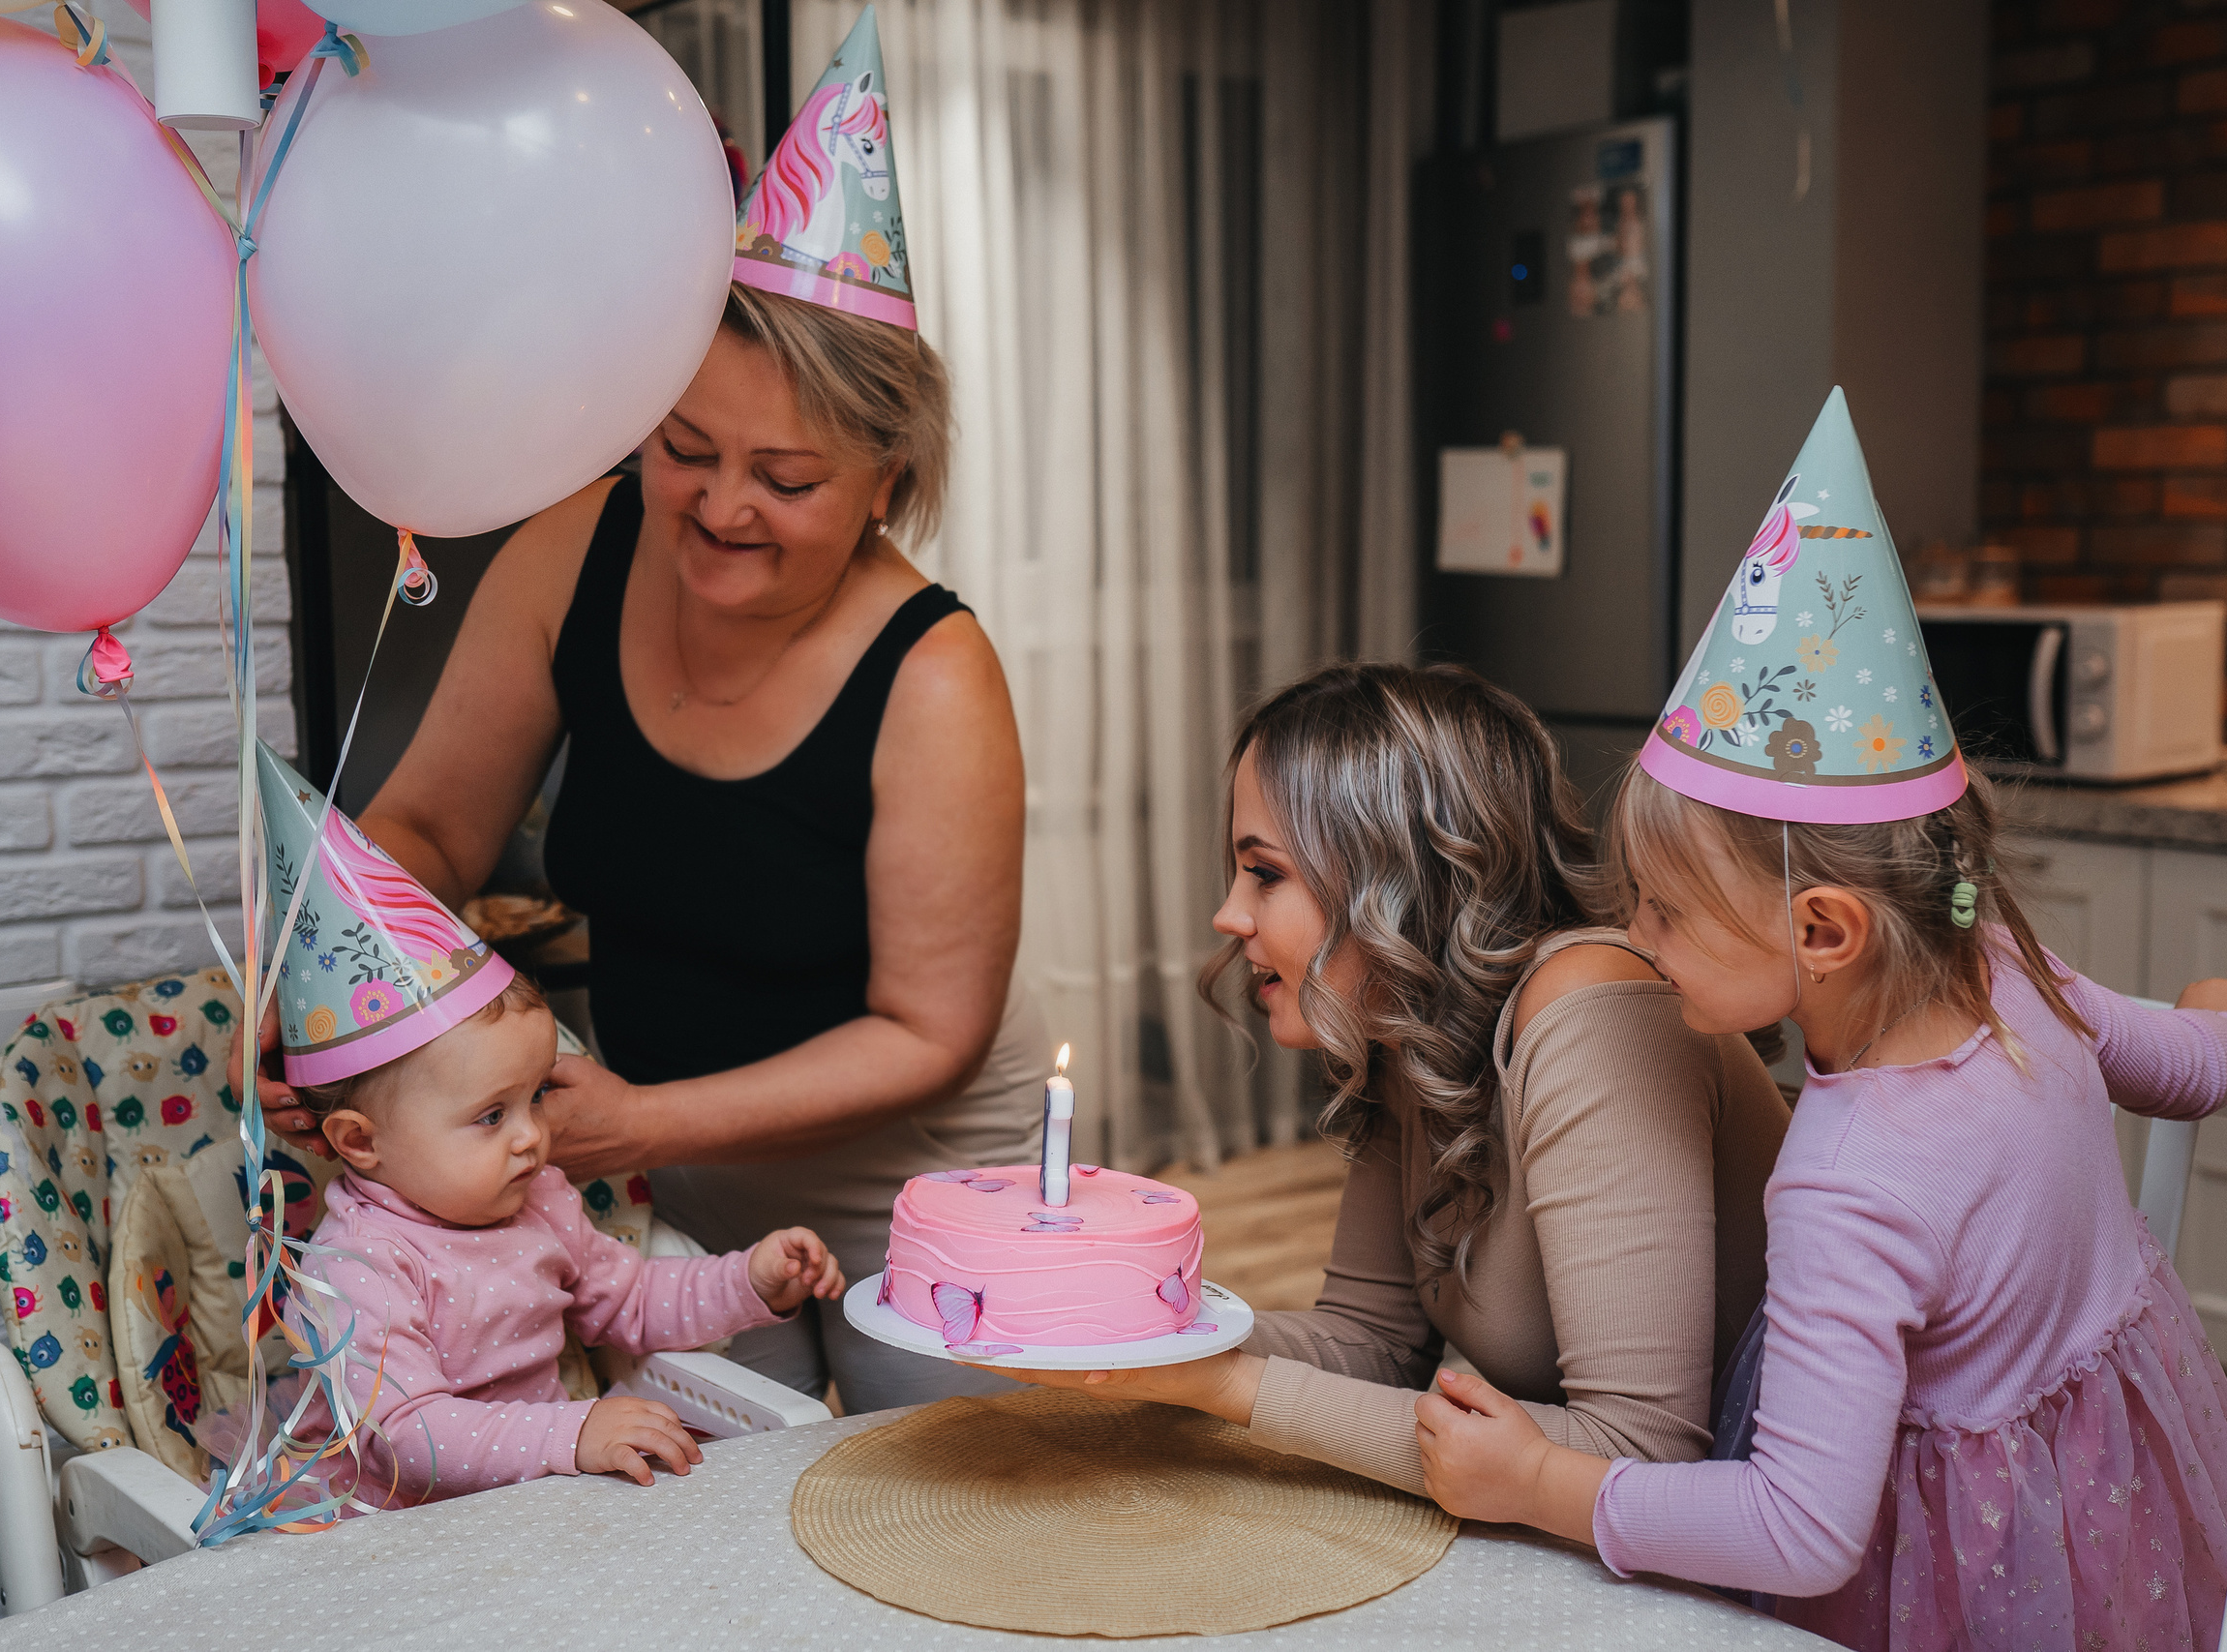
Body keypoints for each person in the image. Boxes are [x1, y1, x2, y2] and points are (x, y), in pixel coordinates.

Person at [261, 10, 1038, 1415]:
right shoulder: (577, 545)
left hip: (912, 1188)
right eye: (686, 449)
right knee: (712, 1505)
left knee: (932, 1516)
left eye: (787, 480)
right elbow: (429, 824)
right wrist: (333, 1007)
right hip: (643, 1178)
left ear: (885, 483)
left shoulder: (934, 673)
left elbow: (929, 1028)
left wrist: (635, 1117)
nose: (722, 508)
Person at [1413, 389, 2227, 1650]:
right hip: (2102, 1502)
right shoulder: (2005, 957)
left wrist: (1538, 1480)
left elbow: (1801, 1526)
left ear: (1826, 932)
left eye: (1667, 910)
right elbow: (2183, 1063)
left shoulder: (1846, 1182)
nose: (1637, 938)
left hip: (1960, 1578)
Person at [988, 658, 1793, 1498]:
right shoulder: (1405, 1027)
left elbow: (1640, 1453)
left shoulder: (1594, 1011)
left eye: (1265, 872)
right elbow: (1369, 1341)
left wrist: (1222, 1384)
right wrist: (1149, 1334)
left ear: (1396, 876)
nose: (1229, 914)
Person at [294, 969, 844, 1505]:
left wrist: (749, 1281)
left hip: (538, 1492)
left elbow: (630, 1300)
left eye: (536, 1095)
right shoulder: (355, 1262)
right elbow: (406, 1440)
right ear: (360, 1141)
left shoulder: (541, 1199)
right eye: (491, 1116)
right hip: (388, 1527)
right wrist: (572, 1432)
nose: (533, 1135)